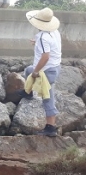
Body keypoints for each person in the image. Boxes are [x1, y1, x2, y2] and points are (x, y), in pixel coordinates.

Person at [19, 7, 62, 137]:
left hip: (46, 71)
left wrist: (36, 72)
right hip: (55, 67)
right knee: (28, 70)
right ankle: (28, 91)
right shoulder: (54, 32)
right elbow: (50, 45)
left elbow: (45, 57)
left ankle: (51, 128)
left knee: (47, 97)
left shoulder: (43, 37)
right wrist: (36, 41)